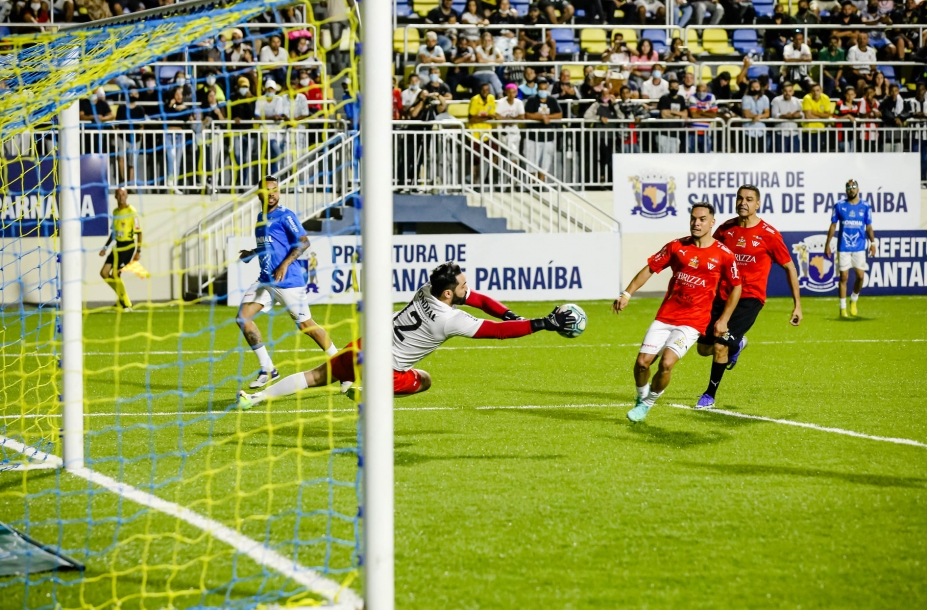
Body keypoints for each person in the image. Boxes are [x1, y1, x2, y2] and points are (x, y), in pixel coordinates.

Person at [237, 262, 578, 406]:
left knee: (314, 376)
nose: (467, 288)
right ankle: (370, 396)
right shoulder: (450, 320)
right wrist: (543, 323)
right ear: (449, 293)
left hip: (366, 345)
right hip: (388, 368)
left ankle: (253, 399)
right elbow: (498, 333)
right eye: (462, 285)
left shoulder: (427, 288)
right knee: (425, 379)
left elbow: (483, 302)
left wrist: (508, 312)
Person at [612, 202, 741, 422]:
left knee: (667, 363)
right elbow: (651, 268)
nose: (696, 223)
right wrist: (627, 293)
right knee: (643, 363)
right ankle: (641, 397)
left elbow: (737, 286)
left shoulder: (724, 254)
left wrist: (724, 319)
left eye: (701, 219)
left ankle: (648, 404)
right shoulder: (676, 247)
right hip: (666, 316)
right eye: (693, 218)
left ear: (712, 223)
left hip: (693, 321)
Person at [693, 185, 802, 409]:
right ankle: (738, 344)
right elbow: (711, 254)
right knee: (703, 349)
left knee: (721, 344)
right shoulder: (726, 229)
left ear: (757, 204)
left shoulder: (769, 235)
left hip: (749, 298)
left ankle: (709, 395)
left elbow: (790, 267)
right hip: (721, 295)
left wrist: (797, 306)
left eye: (749, 199)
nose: (743, 203)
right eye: (740, 198)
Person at [236, 176, 340, 389]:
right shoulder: (260, 218)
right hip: (265, 281)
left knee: (306, 326)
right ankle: (268, 369)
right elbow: (269, 246)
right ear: (259, 195)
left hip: (288, 281)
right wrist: (252, 252)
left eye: (275, 190)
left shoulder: (286, 216)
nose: (272, 194)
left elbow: (304, 242)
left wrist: (284, 265)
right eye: (267, 191)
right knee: (242, 319)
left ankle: (342, 364)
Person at [825, 179, 876, 318]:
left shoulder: (865, 206)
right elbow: (833, 225)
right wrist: (827, 243)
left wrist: (873, 243)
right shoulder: (839, 206)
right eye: (848, 188)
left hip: (859, 246)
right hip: (844, 246)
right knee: (844, 277)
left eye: (853, 187)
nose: (851, 190)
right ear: (846, 190)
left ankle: (853, 299)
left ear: (858, 190)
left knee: (860, 276)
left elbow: (869, 226)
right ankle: (842, 309)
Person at [98, 187, 141, 311]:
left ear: (127, 196)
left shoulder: (132, 211)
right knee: (104, 273)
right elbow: (114, 232)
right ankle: (121, 299)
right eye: (119, 194)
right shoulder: (115, 212)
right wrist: (105, 247)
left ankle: (127, 303)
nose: (121, 196)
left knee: (116, 274)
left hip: (128, 246)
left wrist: (138, 251)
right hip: (117, 246)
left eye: (124, 194)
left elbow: (139, 232)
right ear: (115, 197)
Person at [523, 78, 562, 181]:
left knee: (544, 165)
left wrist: (548, 117)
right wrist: (541, 117)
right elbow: (527, 115)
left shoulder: (552, 101)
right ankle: (532, 185)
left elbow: (559, 114)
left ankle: (540, 186)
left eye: (545, 89)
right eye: (541, 89)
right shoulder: (532, 100)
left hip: (548, 138)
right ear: (537, 89)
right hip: (532, 138)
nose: (543, 91)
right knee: (531, 164)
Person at [801, 83, 834, 152]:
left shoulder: (825, 98)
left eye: (817, 90)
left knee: (820, 153)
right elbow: (808, 116)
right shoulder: (807, 98)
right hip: (808, 130)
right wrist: (821, 117)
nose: (816, 93)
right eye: (813, 91)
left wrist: (814, 112)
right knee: (810, 153)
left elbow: (827, 114)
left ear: (821, 90)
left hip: (821, 129)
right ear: (810, 92)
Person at [656, 79, 687, 153]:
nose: (674, 89)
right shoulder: (664, 98)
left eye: (676, 87)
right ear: (668, 88)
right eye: (672, 87)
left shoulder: (681, 99)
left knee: (674, 157)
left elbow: (685, 114)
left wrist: (671, 112)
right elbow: (663, 114)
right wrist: (678, 115)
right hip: (663, 133)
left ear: (679, 88)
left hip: (675, 133)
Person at [771, 81, 802, 152]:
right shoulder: (776, 100)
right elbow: (774, 115)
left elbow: (801, 114)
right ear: (782, 91)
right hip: (781, 133)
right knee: (781, 157)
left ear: (793, 91)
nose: (787, 93)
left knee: (795, 157)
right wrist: (786, 116)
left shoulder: (797, 101)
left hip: (794, 133)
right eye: (785, 91)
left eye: (790, 91)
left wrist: (797, 115)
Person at [740, 79, 770, 152]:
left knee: (761, 155)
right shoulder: (745, 98)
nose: (755, 89)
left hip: (761, 131)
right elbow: (747, 114)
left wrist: (759, 116)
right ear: (750, 88)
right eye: (752, 87)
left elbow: (767, 113)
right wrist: (754, 116)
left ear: (760, 87)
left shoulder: (765, 98)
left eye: (757, 87)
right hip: (748, 131)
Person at [495, 83, 526, 152]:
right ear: (505, 92)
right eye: (509, 92)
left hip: (515, 131)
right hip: (503, 131)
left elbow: (522, 117)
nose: (511, 95)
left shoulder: (519, 102)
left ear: (516, 92)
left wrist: (506, 120)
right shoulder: (501, 102)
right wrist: (513, 119)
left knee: (514, 155)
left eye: (513, 92)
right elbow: (497, 116)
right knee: (505, 153)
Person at [687, 82, 717, 153]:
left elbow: (714, 115)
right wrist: (707, 113)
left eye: (703, 91)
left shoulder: (711, 97)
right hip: (693, 133)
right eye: (699, 91)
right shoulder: (692, 97)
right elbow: (694, 115)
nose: (701, 93)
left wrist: (699, 112)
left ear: (707, 91)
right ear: (696, 91)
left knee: (706, 158)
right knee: (691, 157)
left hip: (706, 132)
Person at [473, 30, 505, 98]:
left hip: (490, 73)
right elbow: (480, 60)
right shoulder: (478, 48)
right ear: (482, 41)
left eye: (489, 40)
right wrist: (494, 61)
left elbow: (501, 59)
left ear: (491, 41)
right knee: (492, 76)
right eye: (485, 40)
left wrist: (488, 61)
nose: (487, 42)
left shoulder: (495, 49)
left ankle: (491, 104)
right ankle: (501, 95)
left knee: (491, 88)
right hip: (479, 73)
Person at [834, 86, 859, 153]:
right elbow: (835, 117)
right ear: (845, 95)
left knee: (852, 152)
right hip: (842, 132)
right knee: (845, 152)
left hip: (853, 132)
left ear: (855, 95)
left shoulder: (856, 105)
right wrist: (847, 116)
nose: (850, 96)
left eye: (852, 94)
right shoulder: (839, 104)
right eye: (848, 94)